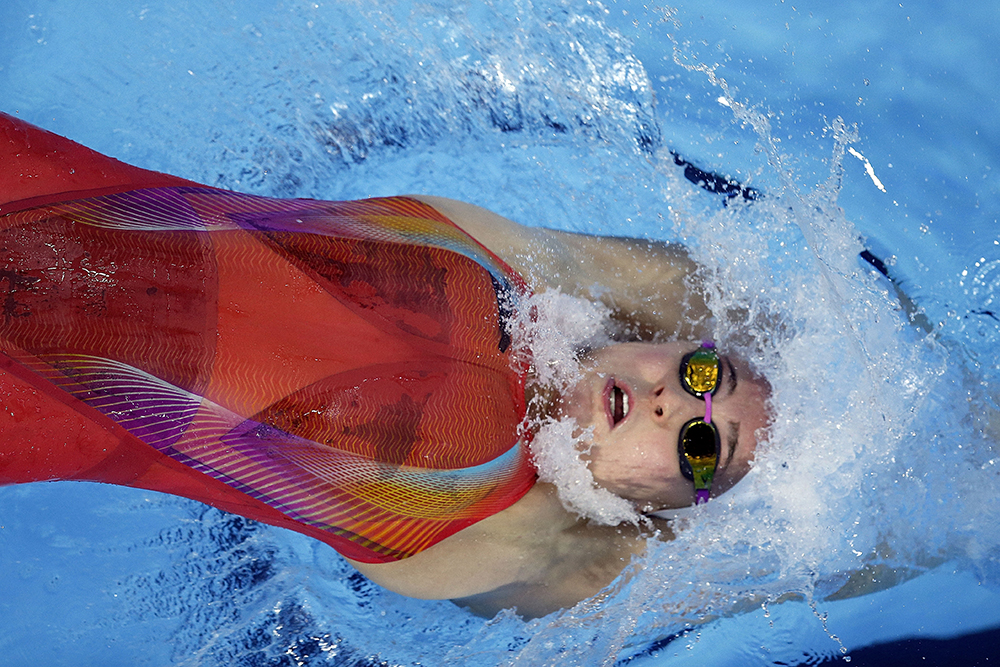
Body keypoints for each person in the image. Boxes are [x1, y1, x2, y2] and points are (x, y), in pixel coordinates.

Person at [0, 112, 771, 618]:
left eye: (701, 449)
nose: (675, 402)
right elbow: (672, 281)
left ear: (655, 509)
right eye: (708, 375)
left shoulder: (497, 525)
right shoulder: (508, 259)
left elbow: (641, 581)